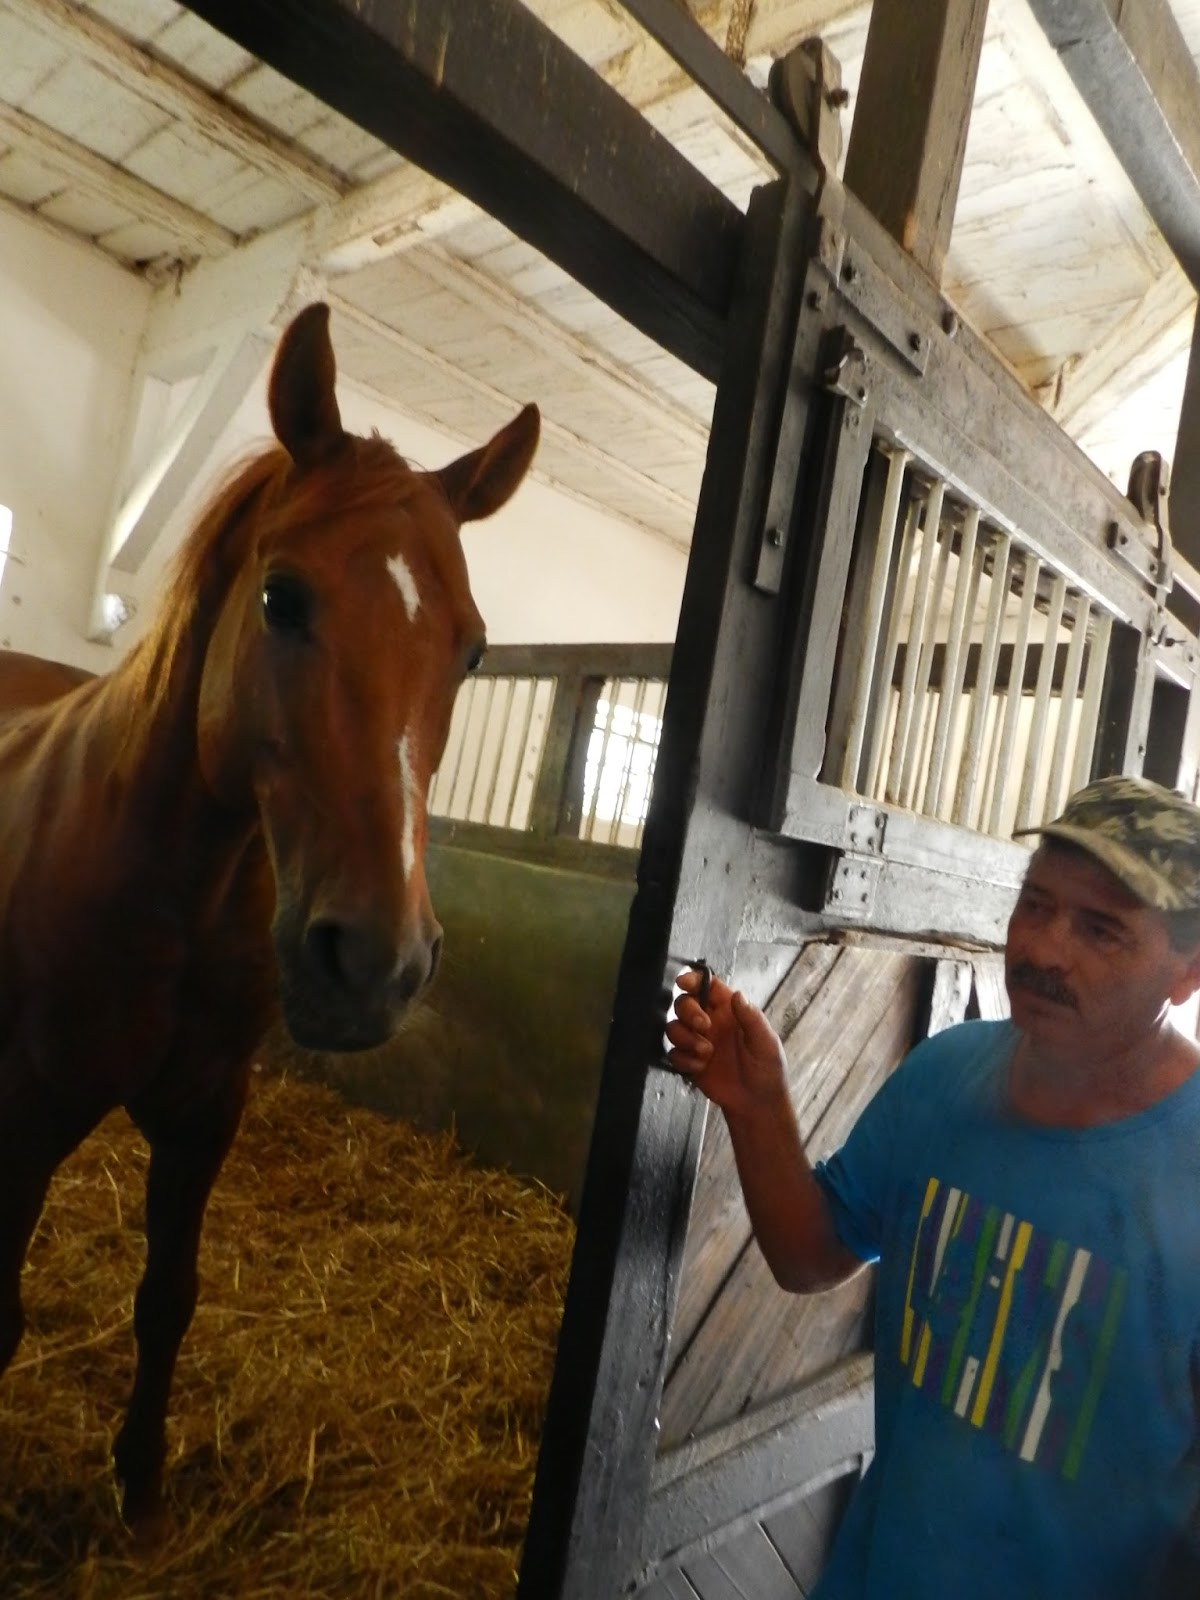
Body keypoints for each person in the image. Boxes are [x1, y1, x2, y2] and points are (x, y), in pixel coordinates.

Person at [666, 774, 1200, 1599]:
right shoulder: (946, 1076)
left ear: (1187, 970)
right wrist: (758, 1105)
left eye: (1101, 929)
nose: (1044, 950)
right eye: (1035, 904)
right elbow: (810, 1255)